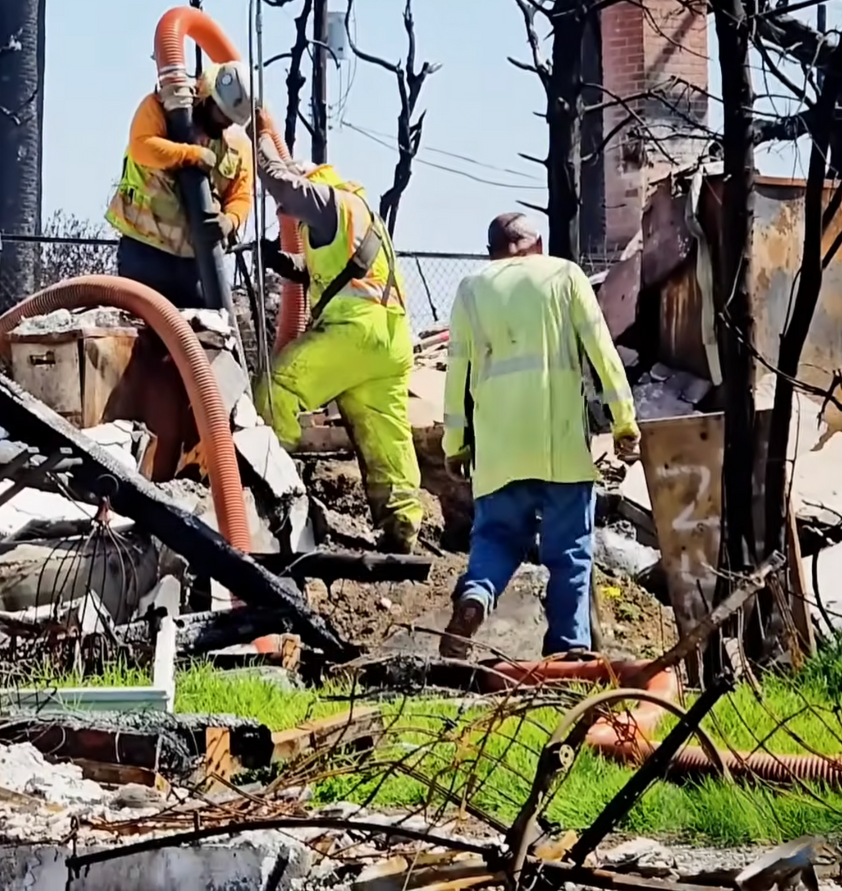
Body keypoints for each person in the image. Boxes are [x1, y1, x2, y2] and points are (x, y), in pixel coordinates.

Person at [437, 213, 640, 660]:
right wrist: (624, 421)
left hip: (498, 452)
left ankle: (475, 597)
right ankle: (568, 652)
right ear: (539, 243)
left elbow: (456, 374)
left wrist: (456, 444)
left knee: (495, 538)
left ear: (491, 251)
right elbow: (602, 353)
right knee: (569, 552)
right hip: (561, 449)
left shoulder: (472, 288)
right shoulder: (565, 276)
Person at [248, 150, 428, 553]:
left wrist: (257, 144)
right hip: (389, 335)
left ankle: (274, 490)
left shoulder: (328, 199)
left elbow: (287, 187)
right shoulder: (356, 212)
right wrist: (281, 260)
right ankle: (401, 526)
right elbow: (326, 270)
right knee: (385, 435)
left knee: (275, 391)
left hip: (354, 331)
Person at [105, 61, 256, 307]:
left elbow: (241, 195)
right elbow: (142, 146)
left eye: (232, 120)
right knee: (145, 335)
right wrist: (191, 155)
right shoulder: (162, 108)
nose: (225, 123)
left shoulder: (238, 147)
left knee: (199, 338)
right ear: (209, 97)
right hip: (145, 251)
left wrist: (230, 221)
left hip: (195, 263)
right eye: (222, 114)